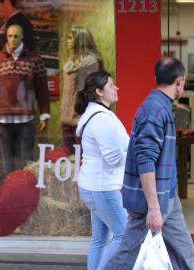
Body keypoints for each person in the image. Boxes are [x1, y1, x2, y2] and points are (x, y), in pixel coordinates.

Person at [104, 58, 194, 270]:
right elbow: (146, 161)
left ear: (156, 78)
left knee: (184, 252)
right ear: (180, 81)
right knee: (128, 255)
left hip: (168, 197)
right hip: (153, 202)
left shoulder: (160, 106)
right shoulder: (154, 111)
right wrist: (153, 208)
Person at [74, 70, 129, 270]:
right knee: (124, 235)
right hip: (103, 189)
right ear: (99, 91)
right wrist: (134, 154)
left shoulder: (94, 115)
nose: (116, 88)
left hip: (94, 187)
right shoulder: (102, 119)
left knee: (99, 239)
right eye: (111, 85)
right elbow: (114, 159)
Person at [0, 24, 50, 176]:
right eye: (9, 36)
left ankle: (26, 192)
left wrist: (45, 113)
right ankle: (8, 192)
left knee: (27, 161)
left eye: (16, 36)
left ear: (22, 37)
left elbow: (42, 88)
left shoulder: (34, 59)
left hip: (26, 119)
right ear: (6, 37)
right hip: (4, 120)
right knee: (6, 162)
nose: (12, 40)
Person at [61, 26, 102, 152]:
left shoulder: (90, 64)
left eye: (71, 38)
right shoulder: (70, 63)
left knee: (83, 156)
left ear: (80, 40)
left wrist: (84, 114)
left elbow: (91, 92)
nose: (68, 41)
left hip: (81, 119)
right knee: (70, 157)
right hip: (66, 118)